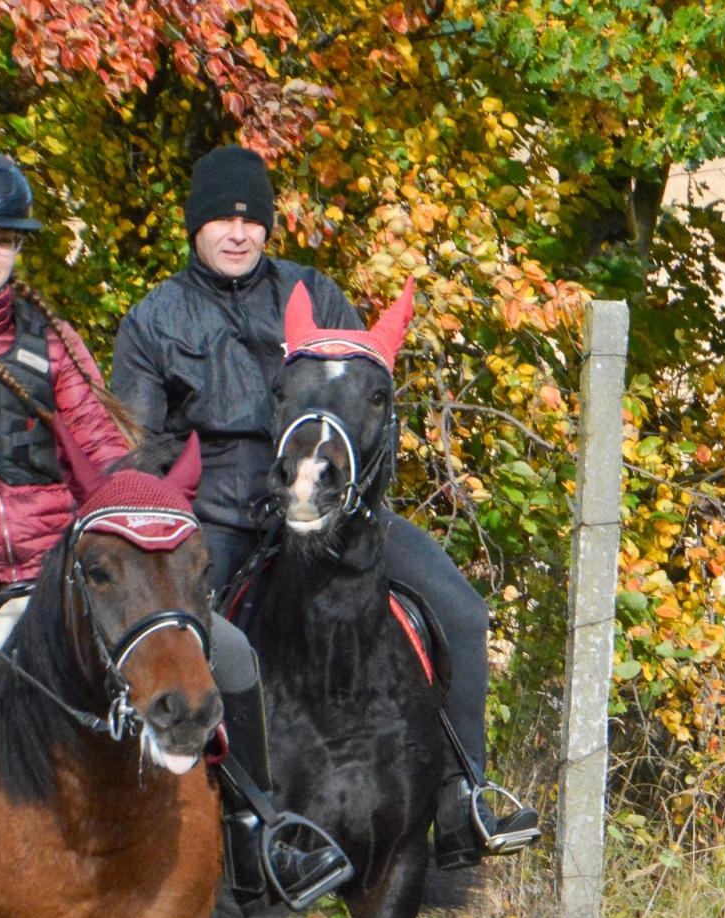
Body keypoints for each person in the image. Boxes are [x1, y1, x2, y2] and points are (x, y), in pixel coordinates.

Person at [0, 148, 347, 918]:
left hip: (59, 574)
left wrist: (140, 514)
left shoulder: (55, 341)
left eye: (3, 239)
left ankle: (258, 845)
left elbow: (104, 458)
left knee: (227, 652)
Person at [110, 145, 541, 871]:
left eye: (251, 220)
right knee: (199, 649)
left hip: (336, 515)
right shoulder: (155, 319)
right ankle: (245, 822)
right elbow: (140, 446)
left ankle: (463, 797)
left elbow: (367, 408)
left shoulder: (313, 293)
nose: (238, 233)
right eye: (221, 219)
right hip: (223, 517)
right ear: (195, 226)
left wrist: (354, 502)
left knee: (461, 611)